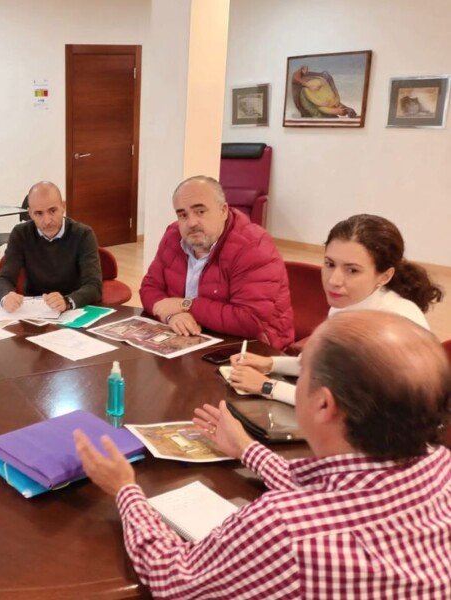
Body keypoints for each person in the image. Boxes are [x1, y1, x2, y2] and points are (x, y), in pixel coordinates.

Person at [75, 310, 451, 598]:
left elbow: (175, 578)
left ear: (323, 405)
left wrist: (125, 489)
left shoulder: (286, 530)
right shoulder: (440, 466)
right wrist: (247, 449)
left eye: (301, 374)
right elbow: (336, 495)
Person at [230, 214, 444, 403]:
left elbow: (344, 404)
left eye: (352, 270)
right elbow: (329, 368)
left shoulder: (394, 327)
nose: (333, 280)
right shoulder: (351, 302)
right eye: (330, 264)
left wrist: (267, 386)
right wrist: (270, 364)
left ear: (385, 276)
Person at [139, 175, 294, 349]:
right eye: (182, 214)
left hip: (252, 349)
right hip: (193, 339)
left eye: (200, 211)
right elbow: (149, 287)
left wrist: (185, 305)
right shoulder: (173, 235)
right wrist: (173, 315)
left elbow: (251, 320)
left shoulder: (253, 246)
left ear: (223, 210)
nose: (191, 222)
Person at [0, 181, 102, 313]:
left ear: (63, 206)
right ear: (30, 213)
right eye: (38, 213)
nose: (47, 221)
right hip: (34, 308)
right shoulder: (20, 234)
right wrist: (6, 297)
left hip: (72, 307)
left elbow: (94, 286)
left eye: (52, 211)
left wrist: (67, 301)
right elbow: (5, 278)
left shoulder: (83, 234)